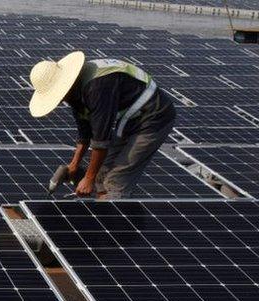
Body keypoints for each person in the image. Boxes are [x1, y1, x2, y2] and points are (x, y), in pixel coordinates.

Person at [28, 51, 177, 198]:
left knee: (116, 180)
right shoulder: (77, 90)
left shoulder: (96, 88)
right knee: (101, 173)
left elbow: (101, 140)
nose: (60, 101)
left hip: (154, 117)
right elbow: (85, 133)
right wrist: (74, 164)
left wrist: (88, 178)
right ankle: (99, 207)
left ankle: (114, 215)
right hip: (131, 118)